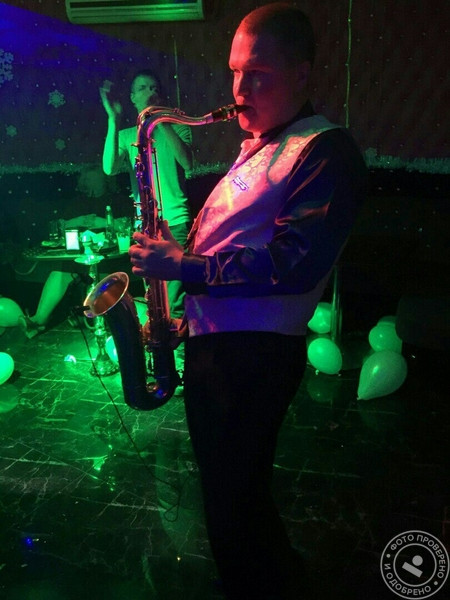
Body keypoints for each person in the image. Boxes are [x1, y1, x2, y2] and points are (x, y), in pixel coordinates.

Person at [129, 3, 367, 599]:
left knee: (237, 497)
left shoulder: (325, 150)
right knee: (228, 494)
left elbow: (293, 263)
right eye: (235, 72)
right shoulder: (263, 143)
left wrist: (184, 267)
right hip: (224, 349)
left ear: (303, 73)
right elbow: (236, 240)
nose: (239, 91)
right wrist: (184, 306)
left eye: (257, 74)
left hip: (254, 360)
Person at [99, 69, 193, 324]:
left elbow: (188, 163)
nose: (150, 92)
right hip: (145, 224)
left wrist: (160, 119)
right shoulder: (127, 135)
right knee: (153, 296)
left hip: (175, 220)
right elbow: (109, 167)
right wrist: (113, 119)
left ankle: (180, 344)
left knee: (174, 298)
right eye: (143, 88)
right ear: (132, 97)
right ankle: (159, 341)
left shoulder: (178, 127)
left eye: (154, 88)